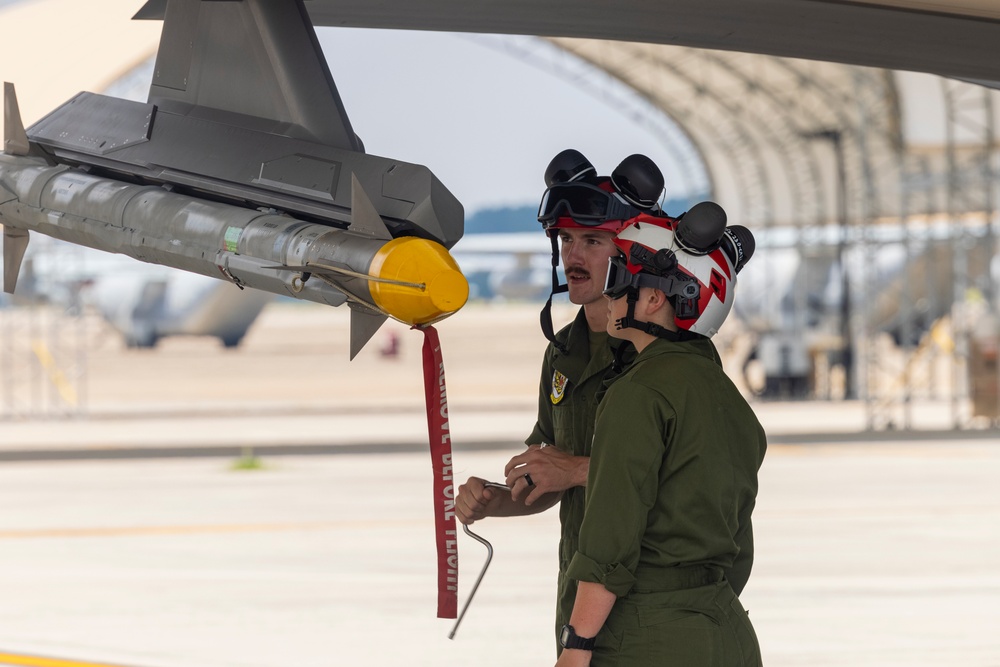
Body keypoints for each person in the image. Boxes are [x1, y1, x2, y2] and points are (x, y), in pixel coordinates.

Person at [455, 150, 665, 649]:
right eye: (566, 240)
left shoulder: (667, 352)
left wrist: (573, 469)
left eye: (593, 241)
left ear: (631, 251)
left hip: (652, 604)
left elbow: (682, 469)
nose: (574, 256)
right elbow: (550, 478)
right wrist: (496, 501)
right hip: (581, 605)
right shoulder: (563, 353)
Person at [555, 208, 766, 666]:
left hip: (647, 638)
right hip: (726, 631)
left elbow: (609, 543)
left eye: (618, 279)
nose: (609, 295)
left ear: (653, 301)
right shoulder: (727, 397)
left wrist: (576, 647)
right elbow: (738, 546)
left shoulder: (637, 394)